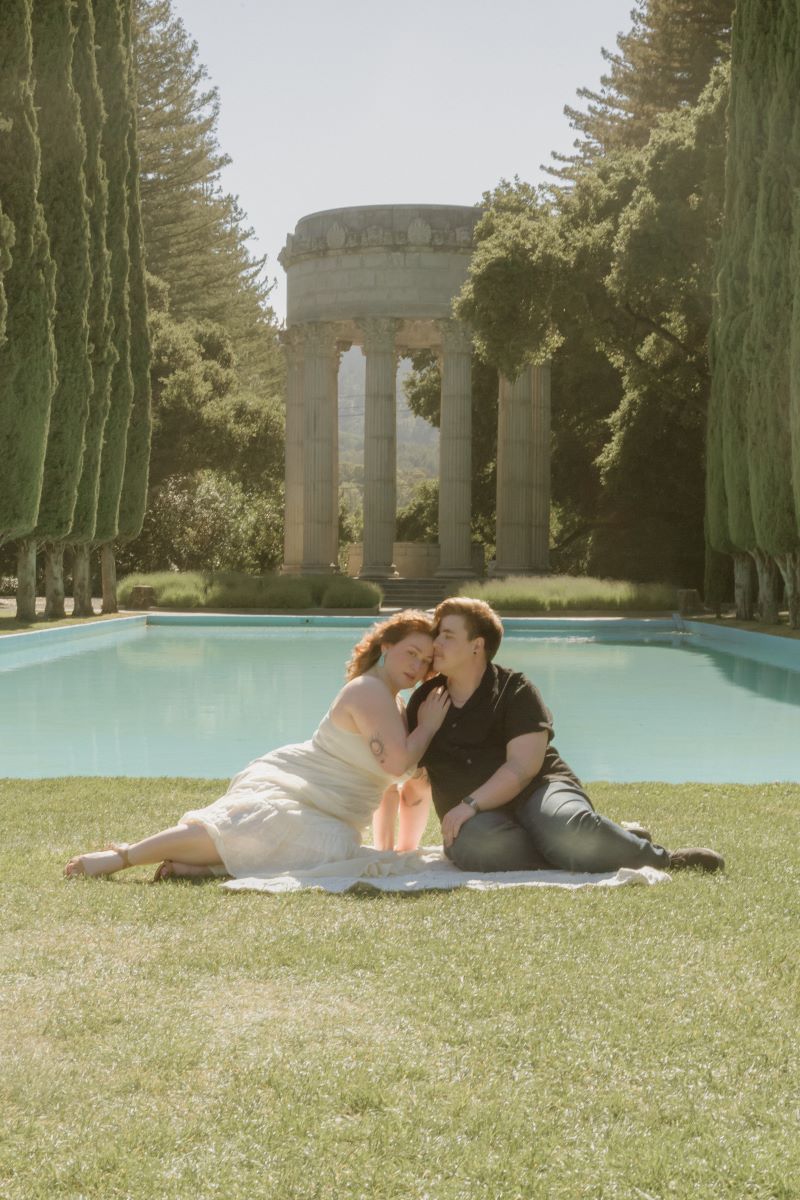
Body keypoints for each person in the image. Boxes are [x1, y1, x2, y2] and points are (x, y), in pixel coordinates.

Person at [65, 612, 450, 881]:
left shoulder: (394, 701)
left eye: (426, 660)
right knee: (259, 825)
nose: (417, 666)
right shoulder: (369, 690)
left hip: (334, 814)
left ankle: (203, 868)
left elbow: (394, 784)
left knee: (328, 850)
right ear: (387, 645)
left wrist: (391, 850)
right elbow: (397, 762)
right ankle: (121, 857)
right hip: (303, 788)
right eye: (411, 653)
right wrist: (429, 726)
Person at [405, 597, 725, 875]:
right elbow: (403, 765)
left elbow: (521, 769)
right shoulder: (425, 702)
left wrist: (471, 804)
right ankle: (601, 840)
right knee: (482, 846)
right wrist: (426, 727)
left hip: (538, 790)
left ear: (477, 646)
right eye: (438, 635)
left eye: (447, 636)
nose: (436, 644)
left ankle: (663, 860)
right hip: (478, 822)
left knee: (563, 826)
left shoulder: (515, 689)